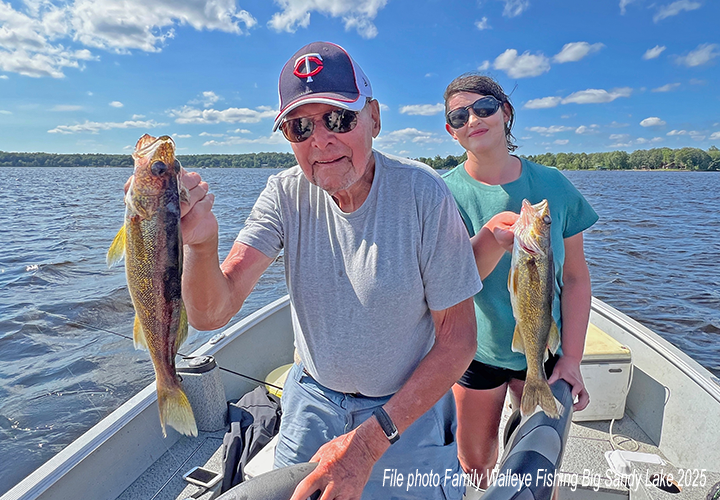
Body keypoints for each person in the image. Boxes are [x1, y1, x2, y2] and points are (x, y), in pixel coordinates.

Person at [179, 42, 482, 500]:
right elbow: (211, 312)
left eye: (339, 118)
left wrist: (368, 442)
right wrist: (201, 246)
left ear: (374, 118)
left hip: (405, 410)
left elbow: (458, 339)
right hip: (312, 399)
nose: (320, 140)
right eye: (299, 127)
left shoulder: (424, 194)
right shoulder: (285, 192)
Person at [440, 73, 599, 489]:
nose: (473, 118)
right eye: (459, 115)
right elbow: (446, 285)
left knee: (536, 464)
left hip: (544, 347)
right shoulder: (442, 194)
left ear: (506, 113)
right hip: (475, 350)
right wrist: (491, 238)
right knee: (475, 458)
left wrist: (572, 358)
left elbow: (577, 278)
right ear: (451, 131)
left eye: (485, 108)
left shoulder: (554, 185)